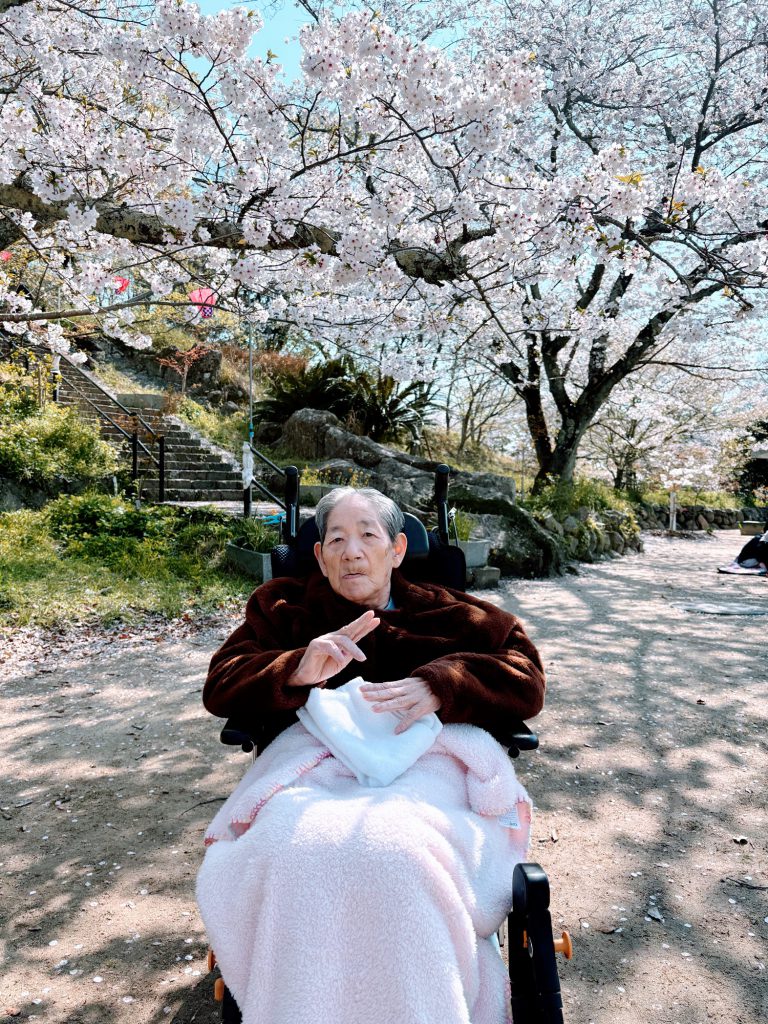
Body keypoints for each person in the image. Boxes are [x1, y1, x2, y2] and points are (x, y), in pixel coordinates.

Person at [198, 487, 546, 1024]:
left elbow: (526, 677)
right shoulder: (284, 609)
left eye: (367, 536)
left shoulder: (452, 613)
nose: (352, 552)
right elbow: (221, 682)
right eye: (336, 540)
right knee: (298, 849)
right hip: (313, 761)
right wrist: (296, 667)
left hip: (429, 762)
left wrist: (444, 683)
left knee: (398, 852)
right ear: (319, 556)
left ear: (397, 549)